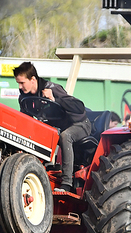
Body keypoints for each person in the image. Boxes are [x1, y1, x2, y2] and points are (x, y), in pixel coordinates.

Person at [14, 61, 91, 193]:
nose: (20, 87)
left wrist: (55, 99)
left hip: (79, 125)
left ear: (33, 79)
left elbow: (79, 107)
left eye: (22, 83)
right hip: (57, 127)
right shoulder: (24, 98)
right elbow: (26, 120)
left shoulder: (52, 88)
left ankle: (67, 183)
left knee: (65, 136)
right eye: (18, 84)